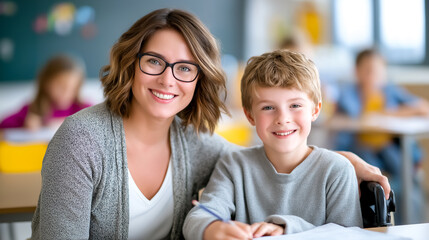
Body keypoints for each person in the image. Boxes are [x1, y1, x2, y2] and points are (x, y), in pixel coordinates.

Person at [31, 9, 389, 240]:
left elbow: (268, 156)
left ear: (198, 79)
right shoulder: (81, 140)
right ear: (130, 63)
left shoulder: (195, 145)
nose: (168, 80)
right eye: (154, 61)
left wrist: (344, 160)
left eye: (185, 68)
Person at [183, 50, 363, 240]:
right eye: (268, 108)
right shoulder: (233, 166)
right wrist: (212, 227)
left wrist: (286, 228)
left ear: (316, 109)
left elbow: (347, 234)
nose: (283, 119)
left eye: (295, 106)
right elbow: (198, 218)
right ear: (250, 115)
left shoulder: (337, 170)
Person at [334, 48, 429, 223]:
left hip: (388, 150)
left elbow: (422, 107)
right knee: (379, 181)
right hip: (361, 150)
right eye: (368, 69)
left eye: (378, 70)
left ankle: (411, 223)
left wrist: (386, 113)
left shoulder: (390, 92)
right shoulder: (348, 94)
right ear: (357, 72)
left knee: (408, 180)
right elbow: (351, 120)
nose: (374, 75)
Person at [0, 54, 91, 131]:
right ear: (46, 83)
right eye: (60, 87)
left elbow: (100, 123)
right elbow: (3, 125)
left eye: (73, 88)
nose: (66, 93)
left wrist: (65, 123)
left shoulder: (84, 109)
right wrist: (25, 125)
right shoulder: (33, 109)